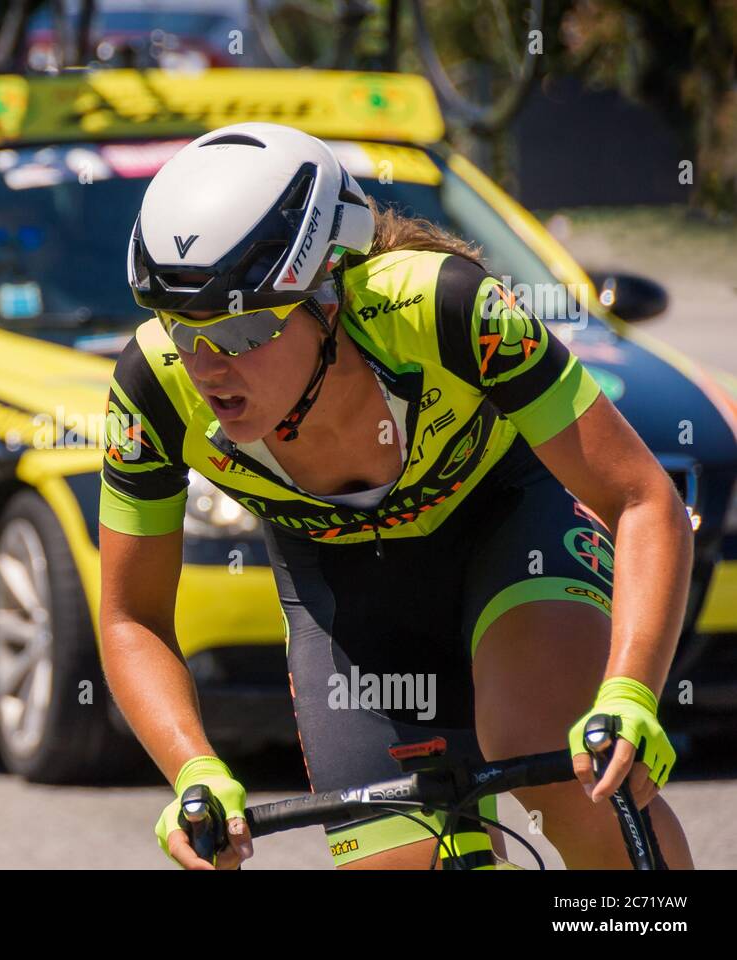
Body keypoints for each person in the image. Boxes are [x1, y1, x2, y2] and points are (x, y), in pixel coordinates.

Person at [98, 121, 695, 869]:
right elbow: (132, 617)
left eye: (246, 329)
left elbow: (642, 498)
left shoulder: (444, 309)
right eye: (184, 330)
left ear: (328, 299)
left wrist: (631, 692)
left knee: (555, 750)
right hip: (350, 599)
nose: (210, 366)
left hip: (510, 527)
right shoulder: (153, 389)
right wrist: (193, 768)